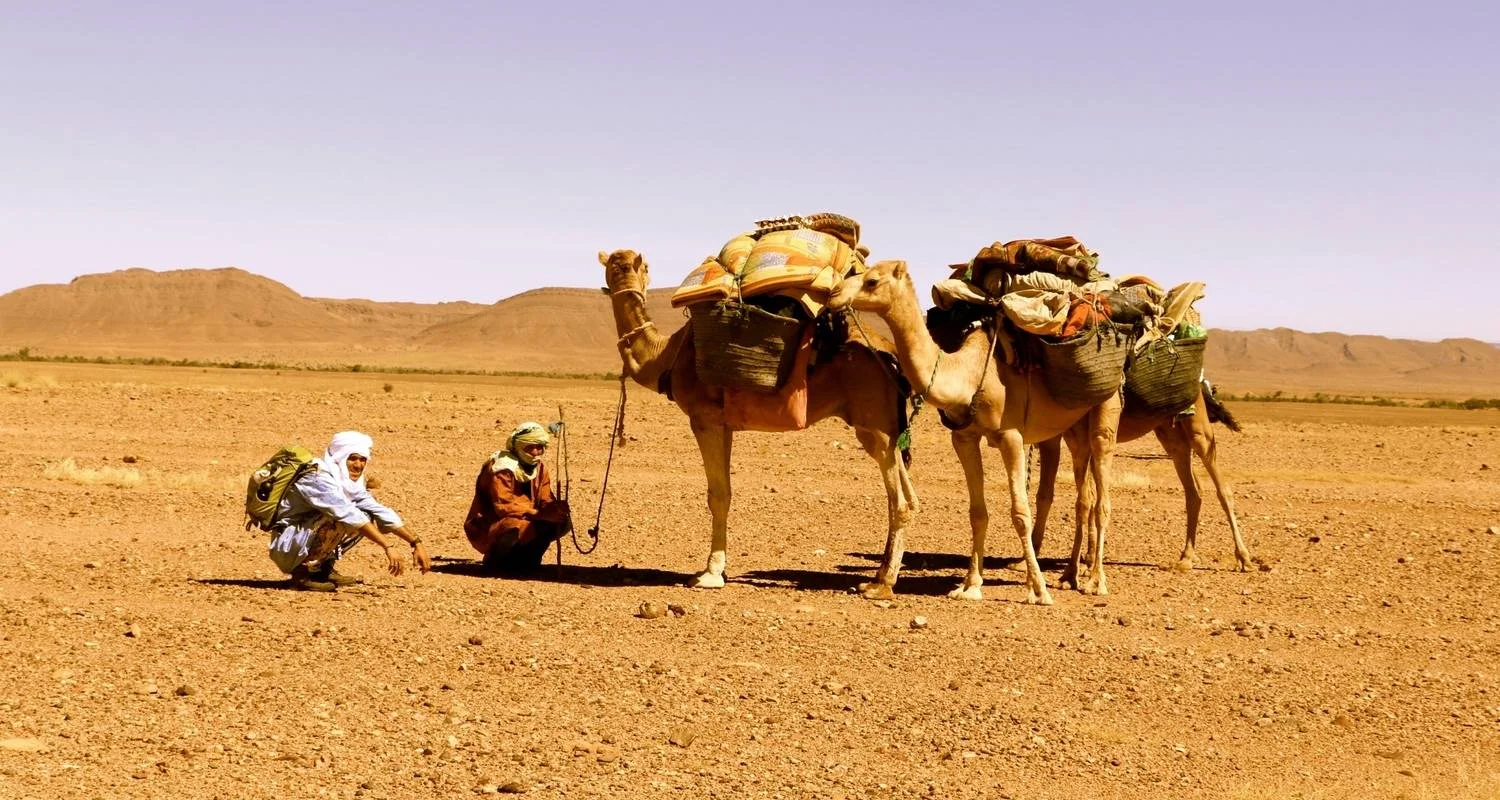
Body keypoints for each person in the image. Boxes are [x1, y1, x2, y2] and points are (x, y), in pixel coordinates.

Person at [268, 431, 431, 591]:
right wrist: (387, 546)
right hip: (289, 545)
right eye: (352, 458)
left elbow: (379, 511)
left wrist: (416, 542)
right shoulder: (317, 477)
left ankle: (322, 569)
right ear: (340, 457)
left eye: (363, 459)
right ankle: (301, 573)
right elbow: (348, 514)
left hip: (304, 536)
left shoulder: (350, 483)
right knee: (344, 518)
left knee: (366, 515)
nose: (358, 465)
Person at [464, 421, 572, 573]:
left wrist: (555, 509)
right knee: (516, 526)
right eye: (531, 447)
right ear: (519, 447)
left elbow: (545, 498)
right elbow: (504, 507)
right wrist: (539, 514)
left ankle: (529, 560)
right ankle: (496, 560)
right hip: (490, 525)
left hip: (527, 518)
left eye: (540, 447)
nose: (536, 452)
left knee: (561, 522)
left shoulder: (539, 468)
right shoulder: (502, 468)